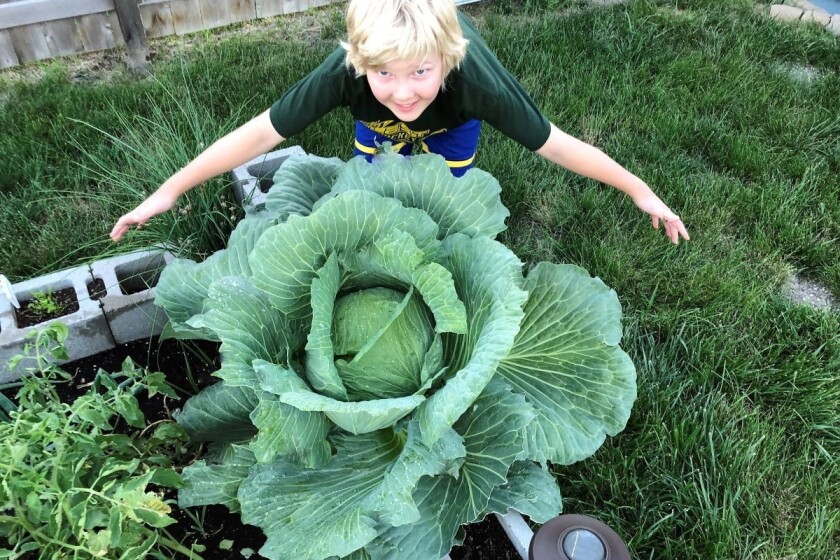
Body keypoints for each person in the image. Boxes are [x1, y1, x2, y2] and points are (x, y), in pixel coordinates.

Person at [110, 0, 690, 244]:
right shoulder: (347, 75)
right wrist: (167, 192)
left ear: (447, 59)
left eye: (420, 71)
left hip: (452, 130)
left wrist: (640, 191)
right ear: (360, 63)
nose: (403, 91)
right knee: (371, 191)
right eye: (383, 73)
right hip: (375, 132)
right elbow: (260, 133)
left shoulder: (475, 81)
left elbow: (557, 146)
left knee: (447, 205)